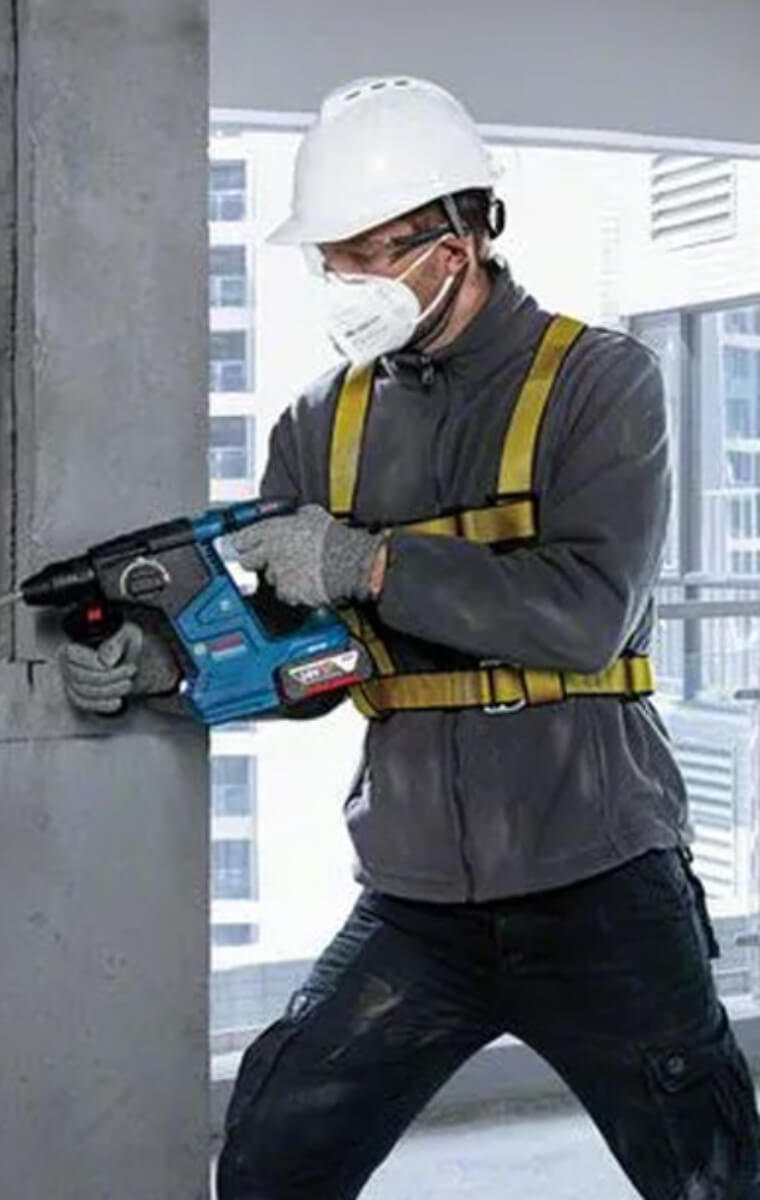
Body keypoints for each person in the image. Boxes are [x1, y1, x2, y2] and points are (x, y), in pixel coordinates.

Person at [58, 75, 760, 1199]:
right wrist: (162, 667)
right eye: (338, 254)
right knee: (273, 1156)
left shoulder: (597, 381)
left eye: (383, 248)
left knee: (712, 1173)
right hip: (417, 898)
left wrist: (374, 562)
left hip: (601, 876)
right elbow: (303, 656)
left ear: (465, 232)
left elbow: (587, 614)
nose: (355, 279)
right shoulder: (314, 424)